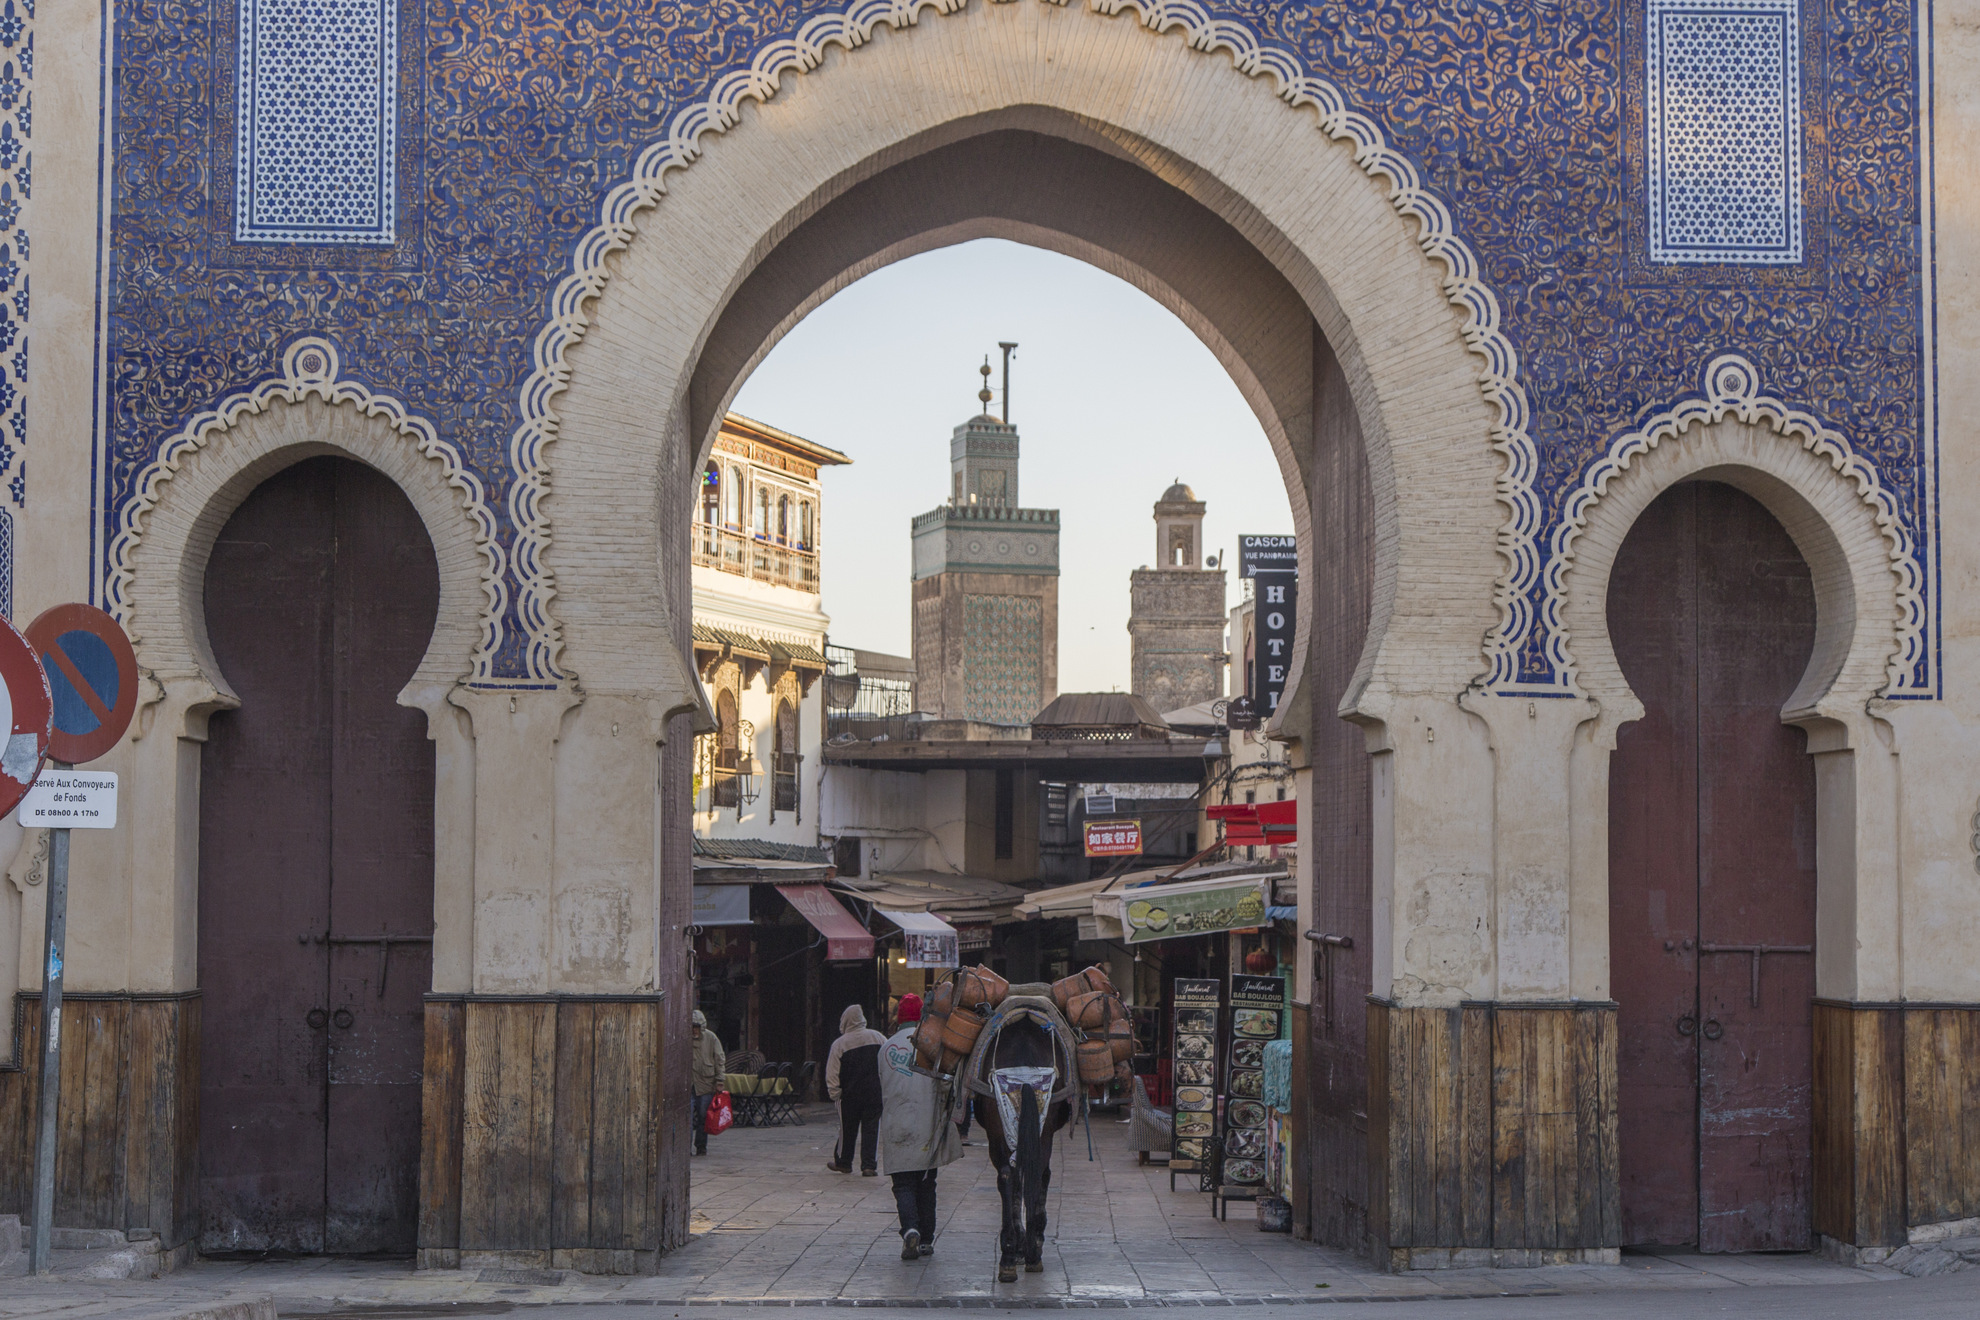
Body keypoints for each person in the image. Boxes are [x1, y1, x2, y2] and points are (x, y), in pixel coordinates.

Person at [878, 992, 961, 1260]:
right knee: (927, 1184)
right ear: (924, 1017)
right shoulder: (932, 1044)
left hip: (896, 1122)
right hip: (927, 1123)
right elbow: (947, 1083)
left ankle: (910, 1228)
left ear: (898, 1018)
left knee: (902, 1184)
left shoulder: (885, 1048)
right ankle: (926, 1239)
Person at [824, 1002, 887, 1175]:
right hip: (875, 1093)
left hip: (849, 1095)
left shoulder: (840, 1044)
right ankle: (868, 1165)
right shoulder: (878, 1037)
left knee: (847, 1129)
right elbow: (889, 1063)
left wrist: (834, 1092)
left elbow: (832, 1072)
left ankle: (844, 1162)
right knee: (872, 1129)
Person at [690, 1008, 726, 1156]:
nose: (694, 1030)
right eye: (692, 1027)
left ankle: (701, 1145)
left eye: (697, 1027)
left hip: (706, 1084)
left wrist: (720, 1079)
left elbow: (719, 1059)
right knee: (687, 1117)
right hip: (689, 1084)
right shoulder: (683, 1038)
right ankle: (685, 1148)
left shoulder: (711, 1038)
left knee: (704, 1116)